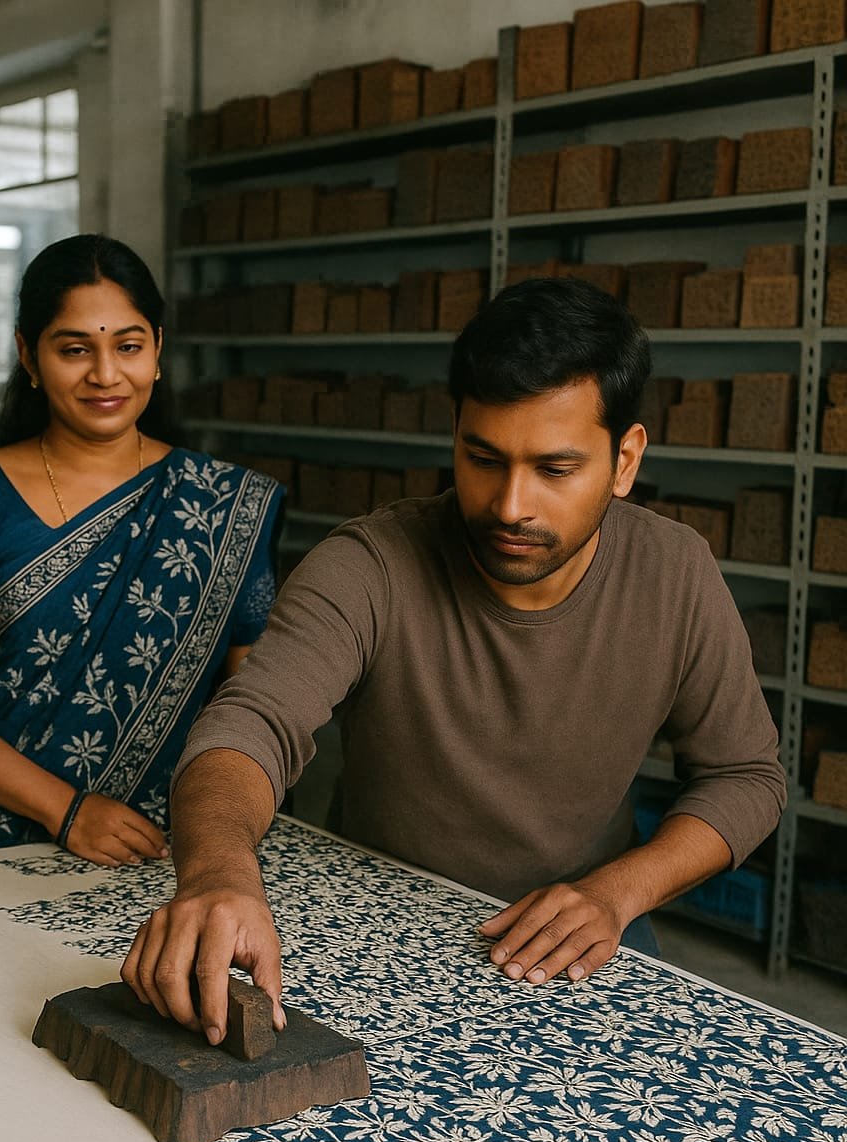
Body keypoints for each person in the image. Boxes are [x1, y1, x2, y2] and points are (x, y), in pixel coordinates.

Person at [121, 278, 786, 1039]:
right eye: (483, 458)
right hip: (379, 915)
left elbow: (746, 777)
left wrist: (617, 892)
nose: (509, 505)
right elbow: (251, 725)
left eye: (555, 470)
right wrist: (216, 873)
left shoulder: (676, 572)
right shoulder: (369, 563)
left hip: (588, 925)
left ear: (625, 459)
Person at [0, 234, 282, 863]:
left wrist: (221, 832)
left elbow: (256, 695)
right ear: (29, 355)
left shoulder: (223, 504)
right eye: (75, 349)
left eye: (127, 346)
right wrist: (65, 810)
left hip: (174, 845)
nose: (105, 374)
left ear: (157, 349)